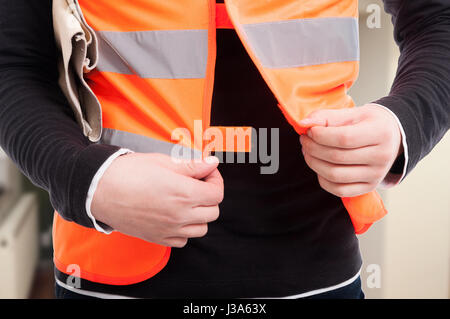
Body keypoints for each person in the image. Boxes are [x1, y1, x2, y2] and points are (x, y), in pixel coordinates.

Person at [0, 0, 449, 299]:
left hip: (317, 273)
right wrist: (87, 178)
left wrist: (402, 123)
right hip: (111, 272)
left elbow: (438, 23)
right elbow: (12, 63)